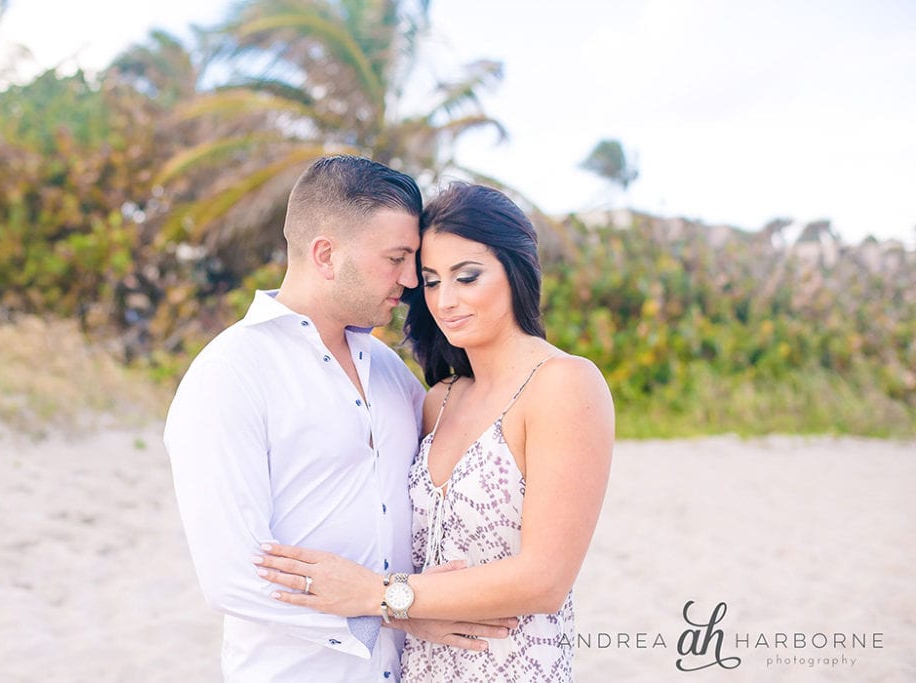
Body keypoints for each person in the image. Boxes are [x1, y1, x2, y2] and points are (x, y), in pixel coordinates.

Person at [164, 157, 516, 682]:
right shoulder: (230, 373)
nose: (409, 281)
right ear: (325, 255)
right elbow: (231, 577)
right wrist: (397, 613)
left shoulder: (389, 371)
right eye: (396, 258)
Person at [254, 182, 614, 681]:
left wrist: (375, 593)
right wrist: (396, 608)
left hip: (513, 666)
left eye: (467, 277)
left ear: (516, 271)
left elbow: (546, 578)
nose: (446, 301)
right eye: (431, 280)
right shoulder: (439, 400)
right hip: (418, 667)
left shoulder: (564, 385)